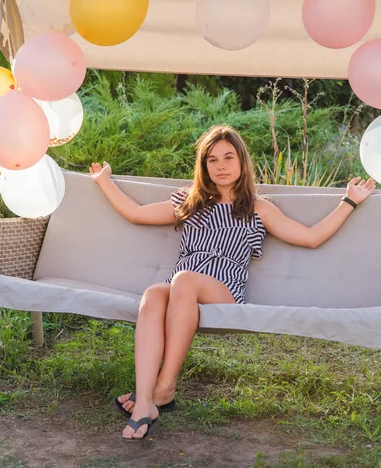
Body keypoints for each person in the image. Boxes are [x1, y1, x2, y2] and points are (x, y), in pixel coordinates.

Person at [88, 124, 375, 441]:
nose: (221, 166)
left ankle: (164, 387)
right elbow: (136, 213)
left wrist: (349, 201)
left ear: (242, 162)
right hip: (181, 288)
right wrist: (104, 182)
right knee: (154, 294)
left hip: (222, 290)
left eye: (228, 157)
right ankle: (145, 402)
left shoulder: (257, 207)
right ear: (204, 166)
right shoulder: (190, 201)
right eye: (212, 160)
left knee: (181, 281)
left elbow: (310, 238)